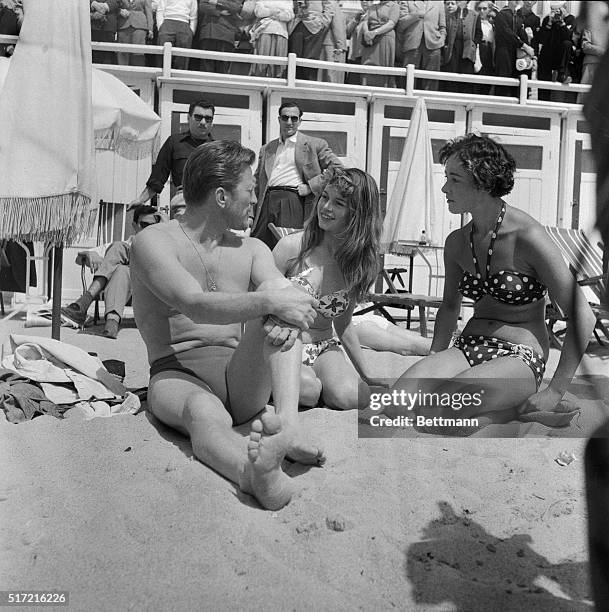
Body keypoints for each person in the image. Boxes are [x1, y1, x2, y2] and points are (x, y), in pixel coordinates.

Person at [131, 140, 322, 510]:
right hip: (178, 372)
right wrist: (273, 300)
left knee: (281, 306)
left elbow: (279, 289)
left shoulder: (252, 249)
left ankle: (286, 423)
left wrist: (287, 300)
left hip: (241, 376)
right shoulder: (152, 241)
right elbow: (195, 305)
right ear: (221, 196)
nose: (255, 200)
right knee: (204, 413)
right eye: (250, 191)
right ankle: (253, 475)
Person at [383, 134, 596, 434]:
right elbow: (448, 307)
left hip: (521, 355)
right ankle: (501, 408)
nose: (445, 188)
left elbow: (583, 316)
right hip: (469, 346)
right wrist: (435, 359)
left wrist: (555, 391)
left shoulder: (528, 237)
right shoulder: (457, 243)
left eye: (454, 179)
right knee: (395, 402)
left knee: (443, 405)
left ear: (483, 182)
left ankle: (516, 407)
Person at [272, 167, 390, 410]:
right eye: (324, 197)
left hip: (324, 346)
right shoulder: (291, 249)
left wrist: (367, 374)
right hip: (284, 344)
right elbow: (256, 305)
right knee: (309, 391)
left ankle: (319, 383)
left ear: (358, 214)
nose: (325, 207)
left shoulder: (357, 263)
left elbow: (343, 323)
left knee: (352, 397)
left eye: (339, 203)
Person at [61, 205, 162, 338]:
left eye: (153, 226)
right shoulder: (123, 245)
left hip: (149, 288)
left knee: (119, 248)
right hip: (127, 288)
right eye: (144, 225)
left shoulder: (162, 247)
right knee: (121, 269)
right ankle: (112, 324)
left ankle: (84, 302)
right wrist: (90, 254)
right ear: (134, 225)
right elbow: (79, 260)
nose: (148, 230)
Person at [251, 100, 342, 249]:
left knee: (288, 246)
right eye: (285, 117)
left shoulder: (314, 144)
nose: (289, 122)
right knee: (259, 246)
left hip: (292, 201)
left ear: (300, 121)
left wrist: (311, 186)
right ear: (279, 119)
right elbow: (256, 183)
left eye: (294, 118)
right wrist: (250, 214)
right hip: (266, 202)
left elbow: (337, 168)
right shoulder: (268, 148)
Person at [129, 99, 214, 209]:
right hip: (184, 201)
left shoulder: (217, 149)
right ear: (189, 118)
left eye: (208, 118)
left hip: (210, 203)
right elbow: (158, 177)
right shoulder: (174, 142)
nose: (203, 122)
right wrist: (140, 200)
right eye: (198, 117)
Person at [396, 0, 446, 91]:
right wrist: (415, 15)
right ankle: (408, 103)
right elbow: (401, 24)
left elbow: (442, 26)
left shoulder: (439, 3)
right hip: (412, 44)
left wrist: (441, 39)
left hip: (434, 45)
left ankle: (429, 103)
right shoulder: (407, 2)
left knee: (431, 80)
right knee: (408, 80)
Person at [493, 0, 533, 97]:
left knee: (516, 83)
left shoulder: (519, 17)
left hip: (516, 53)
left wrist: (530, 52)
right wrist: (524, 45)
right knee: (503, 82)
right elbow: (506, 32)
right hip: (504, 52)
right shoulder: (501, 15)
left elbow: (521, 34)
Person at [441, 0, 482, 94]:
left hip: (467, 50)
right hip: (453, 49)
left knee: (466, 77)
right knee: (452, 77)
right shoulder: (450, 15)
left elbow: (479, 33)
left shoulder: (475, 15)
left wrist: (473, 44)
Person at [288, 0, 334, 80]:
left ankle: (308, 88)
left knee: (310, 60)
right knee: (294, 57)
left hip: (315, 24)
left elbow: (329, 6)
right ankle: (293, 86)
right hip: (297, 22)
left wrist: (323, 22)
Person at [193, 0, 243, 74]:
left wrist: (217, 2)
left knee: (222, 67)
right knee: (206, 66)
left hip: (226, 33)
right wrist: (219, 12)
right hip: (208, 32)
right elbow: (203, 5)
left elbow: (236, 7)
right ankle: (206, 85)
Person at [249, 0, 294, 78]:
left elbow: (289, 15)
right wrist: (278, 11)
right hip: (264, 31)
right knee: (261, 61)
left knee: (278, 63)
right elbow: (259, 12)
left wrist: (269, 11)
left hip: (281, 32)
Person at [360, 0, 399, 87]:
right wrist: (367, 32)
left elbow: (391, 24)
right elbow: (365, 22)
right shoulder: (372, 7)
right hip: (370, 39)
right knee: (368, 65)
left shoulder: (394, 6)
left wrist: (375, 32)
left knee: (382, 67)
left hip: (384, 38)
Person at [156, 0, 198, 70]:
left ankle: (180, 79)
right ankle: (161, 78)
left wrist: (191, 31)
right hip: (168, 21)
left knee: (182, 57)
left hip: (184, 23)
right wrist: (160, 27)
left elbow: (194, 16)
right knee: (163, 55)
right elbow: (160, 10)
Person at [117, 0, 154, 66]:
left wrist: (150, 28)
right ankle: (122, 74)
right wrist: (120, 11)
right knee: (122, 53)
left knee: (138, 54)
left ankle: (139, 75)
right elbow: (115, 6)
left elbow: (148, 11)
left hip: (140, 26)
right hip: (123, 25)